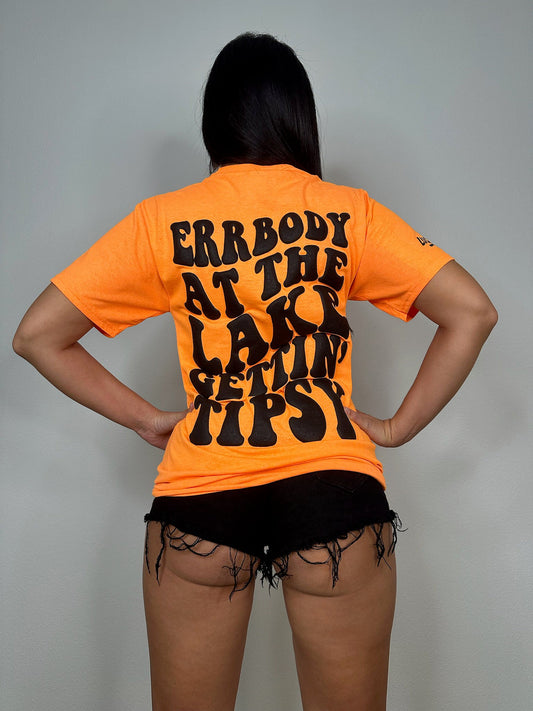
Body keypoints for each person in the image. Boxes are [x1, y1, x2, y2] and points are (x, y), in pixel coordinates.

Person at [12, 31, 497, 711]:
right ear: (298, 117)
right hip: (333, 490)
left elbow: (36, 335)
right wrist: (394, 428)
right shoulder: (347, 213)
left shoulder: (163, 222)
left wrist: (147, 419)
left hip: (201, 491)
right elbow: (472, 311)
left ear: (215, 121)